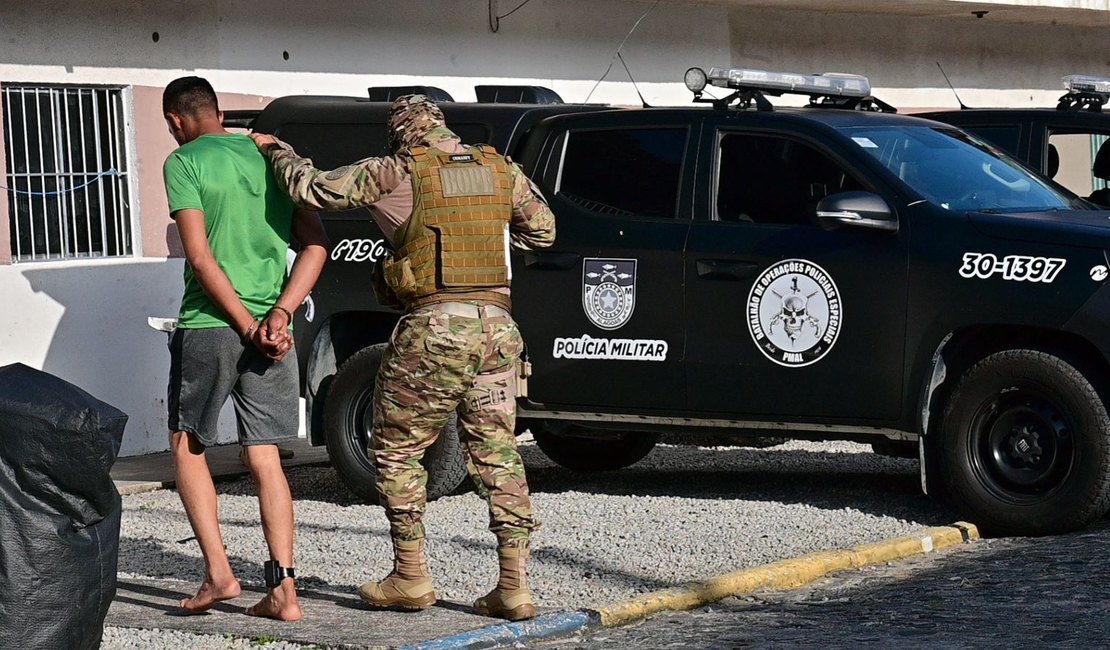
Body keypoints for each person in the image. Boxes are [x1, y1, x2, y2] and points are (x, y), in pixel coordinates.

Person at [250, 94, 554, 621]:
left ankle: (410, 576)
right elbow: (543, 231)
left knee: (396, 450)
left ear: (399, 134)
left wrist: (278, 150)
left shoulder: (395, 170)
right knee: (499, 452)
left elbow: (312, 188)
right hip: (499, 329)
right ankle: (514, 587)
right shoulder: (500, 169)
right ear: (441, 126)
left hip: (435, 327)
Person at [162, 76, 328, 621]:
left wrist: (244, 324)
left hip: (211, 323)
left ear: (179, 120)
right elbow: (316, 244)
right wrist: (276, 316)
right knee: (266, 456)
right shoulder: (271, 157)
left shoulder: (183, 162)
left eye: (171, 126)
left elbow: (201, 257)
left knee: (188, 444)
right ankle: (284, 590)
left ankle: (219, 574)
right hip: (273, 330)